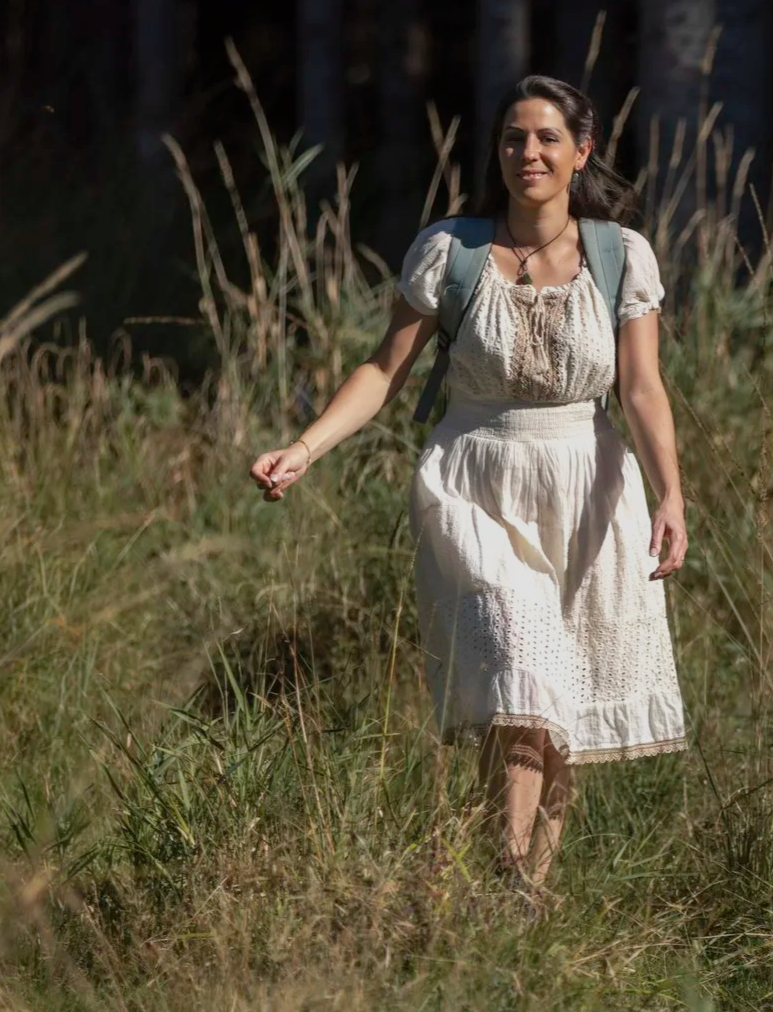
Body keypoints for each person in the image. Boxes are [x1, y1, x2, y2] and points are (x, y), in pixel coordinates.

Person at [249, 75, 687, 894]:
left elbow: (641, 388)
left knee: (557, 701)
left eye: (548, 138)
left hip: (587, 486)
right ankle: (509, 872)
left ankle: (522, 898)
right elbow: (384, 369)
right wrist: (305, 447)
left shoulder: (620, 254)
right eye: (514, 137)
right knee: (520, 666)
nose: (528, 152)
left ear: (581, 152)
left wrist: (670, 494)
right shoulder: (451, 250)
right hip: (471, 482)